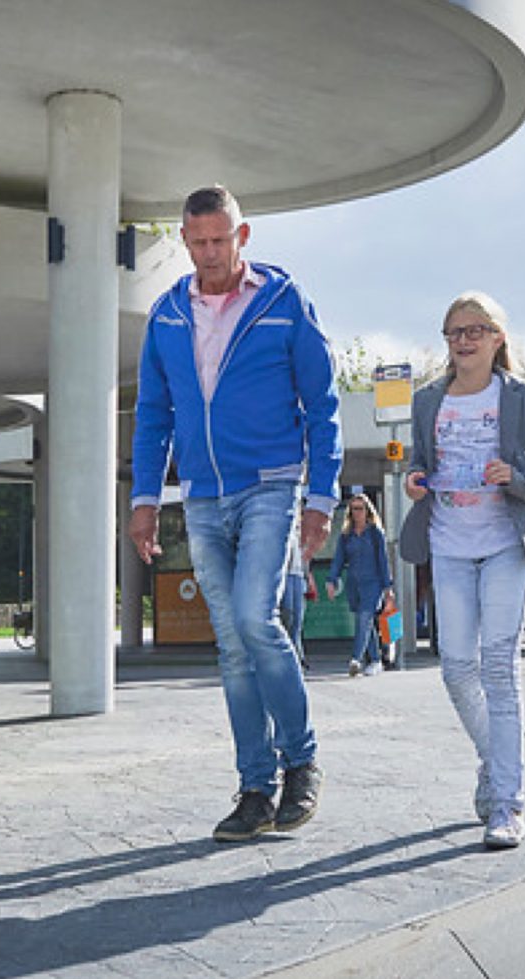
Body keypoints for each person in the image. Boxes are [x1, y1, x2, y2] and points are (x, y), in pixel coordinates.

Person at [128, 185, 342, 843]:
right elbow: (154, 415)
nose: (208, 253)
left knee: (255, 618)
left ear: (241, 237)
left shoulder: (283, 303)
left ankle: (300, 762)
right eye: (196, 242)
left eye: (220, 240)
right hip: (199, 494)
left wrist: (321, 497)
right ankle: (255, 787)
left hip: (271, 484)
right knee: (230, 647)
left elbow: (323, 404)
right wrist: (142, 499)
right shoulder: (166, 315)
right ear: (185, 242)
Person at [400, 291, 525, 850]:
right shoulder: (427, 401)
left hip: (504, 545)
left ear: (498, 338)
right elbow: (423, 462)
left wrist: (516, 479)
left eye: (477, 329)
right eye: (455, 331)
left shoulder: (522, 398)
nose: (465, 339)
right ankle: (494, 760)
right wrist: (415, 480)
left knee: (498, 668)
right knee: (455, 669)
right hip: (448, 545)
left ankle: (507, 803)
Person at [326, 492, 394, 677]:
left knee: (364, 618)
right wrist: (331, 580)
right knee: (366, 622)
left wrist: (388, 588)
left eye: (360, 509)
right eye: (353, 509)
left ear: (368, 511)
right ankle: (376, 660)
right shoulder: (347, 535)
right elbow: (339, 558)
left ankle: (356, 659)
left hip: (373, 583)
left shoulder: (375, 533)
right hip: (354, 583)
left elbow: (383, 560)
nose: (357, 513)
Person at [279, 508, 310, 670]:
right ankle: (290, 656)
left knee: (298, 618)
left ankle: (299, 657)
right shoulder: (282, 528)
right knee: (287, 614)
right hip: (285, 575)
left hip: (298, 575)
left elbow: (305, 558)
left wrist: (308, 577)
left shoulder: (301, 534)